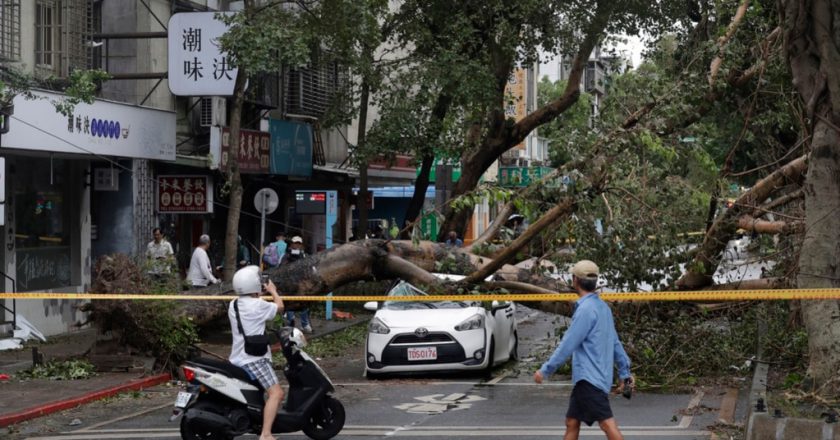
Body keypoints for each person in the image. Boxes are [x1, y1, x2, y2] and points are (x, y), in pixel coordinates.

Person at [533, 260, 633, 440]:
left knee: (606, 424)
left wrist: (545, 370)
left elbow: (568, 344)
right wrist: (624, 371)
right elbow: (615, 343)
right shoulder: (603, 308)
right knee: (572, 422)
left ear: (575, 280)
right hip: (593, 378)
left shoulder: (585, 310)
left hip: (590, 379)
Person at [229, 266, 285, 440]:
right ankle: (266, 434)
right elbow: (280, 307)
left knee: (258, 393)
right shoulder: (259, 305)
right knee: (277, 393)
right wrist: (273, 290)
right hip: (254, 359)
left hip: (237, 358)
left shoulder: (234, 304)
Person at [283, 236, 311, 333]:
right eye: (295, 243)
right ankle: (290, 323)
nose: (297, 245)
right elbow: (281, 268)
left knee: (304, 303)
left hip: (303, 284)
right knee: (290, 303)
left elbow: (310, 268)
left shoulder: (305, 256)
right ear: (291, 244)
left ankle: (305, 324)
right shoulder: (286, 255)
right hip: (290, 284)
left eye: (299, 243)